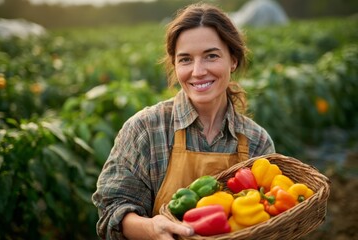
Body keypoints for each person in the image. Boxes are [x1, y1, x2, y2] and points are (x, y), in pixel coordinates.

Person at [92, 3, 275, 240]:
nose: (198, 71)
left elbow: (269, 218)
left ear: (233, 60)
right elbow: (110, 212)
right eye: (186, 59)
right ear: (175, 65)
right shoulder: (146, 129)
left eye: (211, 56)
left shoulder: (256, 141)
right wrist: (151, 229)